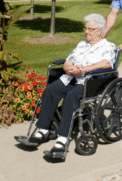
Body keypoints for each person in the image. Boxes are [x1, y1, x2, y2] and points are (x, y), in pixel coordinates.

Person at [30, 13, 117, 156]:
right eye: (86, 28)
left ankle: (63, 138)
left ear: (100, 30)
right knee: (51, 90)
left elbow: (107, 63)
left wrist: (85, 69)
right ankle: (43, 129)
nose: (87, 32)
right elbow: (68, 61)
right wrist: (68, 68)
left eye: (91, 29)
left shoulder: (107, 46)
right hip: (70, 78)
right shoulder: (81, 44)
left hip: (88, 82)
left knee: (71, 97)